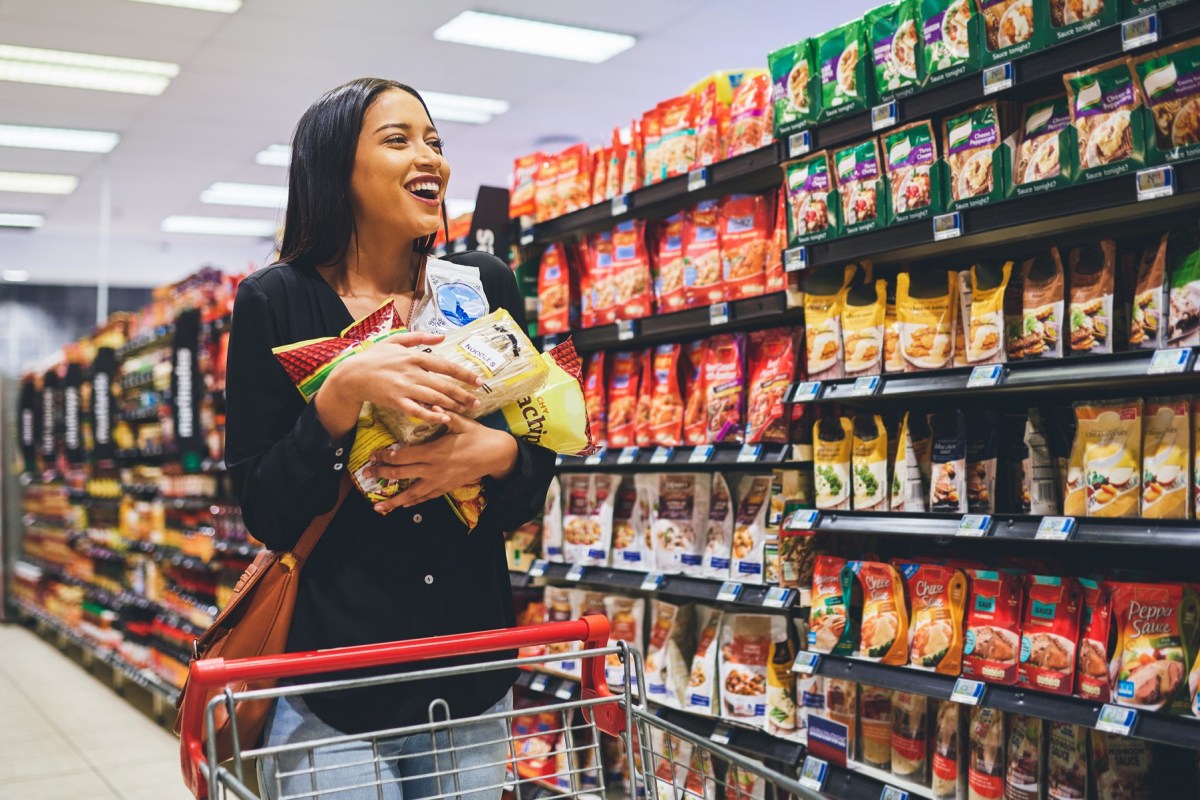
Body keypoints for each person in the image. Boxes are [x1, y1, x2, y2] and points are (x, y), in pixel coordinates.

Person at [223, 77, 555, 800]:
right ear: (335, 169)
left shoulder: (485, 284)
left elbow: (537, 458)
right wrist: (338, 401)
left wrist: (497, 455)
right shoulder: (275, 301)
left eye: (434, 140)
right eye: (398, 140)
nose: (428, 157)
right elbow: (262, 509)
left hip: (471, 674)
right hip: (335, 694)